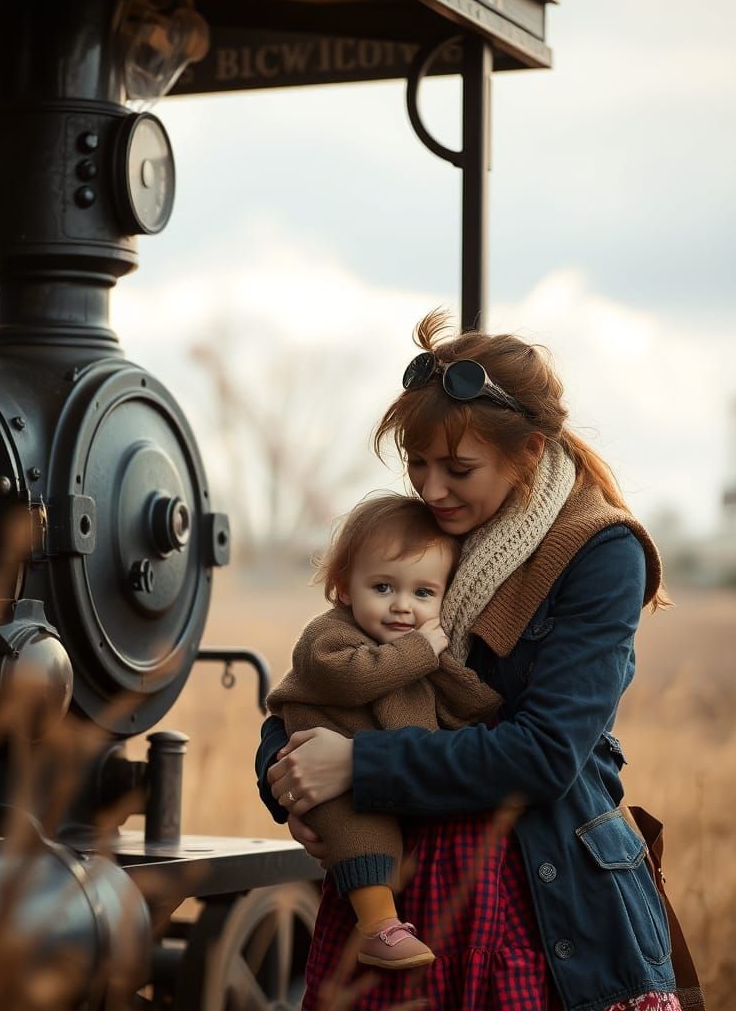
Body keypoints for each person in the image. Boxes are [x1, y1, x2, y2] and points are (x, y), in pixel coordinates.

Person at [256, 311, 698, 1011]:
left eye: (457, 469)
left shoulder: (600, 552)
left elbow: (547, 753)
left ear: (526, 450)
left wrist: (357, 767)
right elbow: (327, 672)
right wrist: (286, 775)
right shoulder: (425, 527)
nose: (431, 490)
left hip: (546, 900)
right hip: (401, 892)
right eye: (418, 464)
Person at [265, 493, 501, 970]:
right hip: (329, 776)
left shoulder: (411, 653)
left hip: (380, 773)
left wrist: (486, 705)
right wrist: (419, 652)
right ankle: (377, 926)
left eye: (422, 593)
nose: (402, 607)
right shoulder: (330, 636)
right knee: (361, 833)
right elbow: (350, 677)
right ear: (344, 588)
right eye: (382, 588)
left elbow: (453, 702)